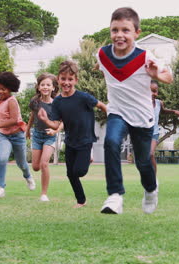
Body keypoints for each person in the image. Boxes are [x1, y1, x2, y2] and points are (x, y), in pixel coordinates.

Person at [97, 7, 173, 215]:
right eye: (115, 30)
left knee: (143, 162)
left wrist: (156, 75)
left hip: (142, 117)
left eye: (125, 30)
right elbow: (103, 67)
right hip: (117, 112)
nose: (119, 35)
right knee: (111, 142)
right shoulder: (102, 54)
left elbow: (169, 77)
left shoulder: (145, 56)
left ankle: (150, 190)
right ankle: (115, 196)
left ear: (136, 33)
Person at [38, 61, 107, 208]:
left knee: (79, 171)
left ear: (76, 80)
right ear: (58, 79)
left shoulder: (84, 97)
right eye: (63, 79)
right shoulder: (57, 102)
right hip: (70, 140)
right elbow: (56, 125)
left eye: (70, 79)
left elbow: (101, 106)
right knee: (71, 174)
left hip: (85, 139)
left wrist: (111, 117)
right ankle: (81, 201)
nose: (66, 82)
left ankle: (88, 156)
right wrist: (45, 120)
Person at [0, 72, 35, 198]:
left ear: (11, 88)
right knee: (2, 159)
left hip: (17, 135)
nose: (0, 91)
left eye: (3, 89)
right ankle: (0, 187)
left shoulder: (12, 101)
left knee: (22, 163)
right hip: (4, 135)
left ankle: (28, 176)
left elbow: (13, 120)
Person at [26, 73, 63, 202]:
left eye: (48, 85)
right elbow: (32, 115)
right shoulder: (35, 102)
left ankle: (43, 194)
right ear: (38, 87)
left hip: (50, 136)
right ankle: (30, 176)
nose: (45, 87)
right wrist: (27, 130)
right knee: (36, 167)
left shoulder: (57, 103)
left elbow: (63, 121)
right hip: (37, 135)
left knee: (44, 164)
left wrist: (56, 131)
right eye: (43, 85)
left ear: (53, 88)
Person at [149, 80, 179, 173]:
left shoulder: (159, 103)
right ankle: (147, 177)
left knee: (151, 154)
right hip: (142, 133)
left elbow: (163, 111)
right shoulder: (142, 103)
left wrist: (174, 112)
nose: (153, 94)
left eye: (155, 91)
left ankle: (154, 180)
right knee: (144, 158)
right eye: (150, 91)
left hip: (154, 133)